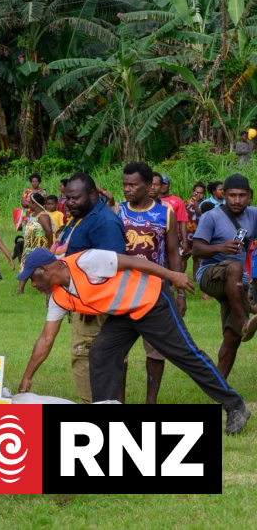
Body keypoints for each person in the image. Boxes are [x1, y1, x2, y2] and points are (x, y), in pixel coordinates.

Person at [18, 248, 249, 434]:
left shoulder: (87, 261)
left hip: (151, 302)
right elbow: (46, 337)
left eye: (33, 278)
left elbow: (131, 262)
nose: (33, 285)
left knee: (186, 355)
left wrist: (173, 276)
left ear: (46, 269)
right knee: (100, 354)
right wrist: (27, 376)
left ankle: (235, 404)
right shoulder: (58, 297)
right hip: (123, 315)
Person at [18, 172, 126, 403]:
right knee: (92, 361)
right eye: (67, 198)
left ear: (93, 194)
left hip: (93, 309)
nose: (69, 203)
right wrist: (27, 377)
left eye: (75, 198)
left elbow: (114, 266)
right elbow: (46, 337)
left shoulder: (104, 222)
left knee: (91, 359)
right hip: (78, 301)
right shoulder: (80, 219)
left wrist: (91, 307)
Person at [115, 162, 182, 404]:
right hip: (122, 289)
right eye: (124, 184)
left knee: (155, 350)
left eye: (133, 185)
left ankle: (150, 402)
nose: (127, 189)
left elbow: (173, 253)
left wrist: (179, 292)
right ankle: (117, 401)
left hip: (155, 291)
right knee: (117, 351)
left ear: (147, 186)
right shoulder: (118, 211)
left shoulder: (165, 213)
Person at [191, 173, 257, 379]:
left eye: (241, 195)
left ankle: (219, 388)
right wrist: (220, 247)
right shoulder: (211, 216)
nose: (237, 200)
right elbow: (196, 250)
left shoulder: (254, 214)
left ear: (250, 196)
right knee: (235, 268)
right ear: (223, 196)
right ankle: (244, 318)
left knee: (233, 338)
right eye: (232, 195)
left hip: (235, 282)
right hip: (210, 274)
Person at [14, 192, 54, 296]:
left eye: (30, 203)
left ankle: (46, 289)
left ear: (35, 204)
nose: (28, 204)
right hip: (29, 247)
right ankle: (20, 290)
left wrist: (52, 247)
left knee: (40, 269)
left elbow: (49, 231)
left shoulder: (43, 216)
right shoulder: (32, 215)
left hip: (39, 247)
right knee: (25, 267)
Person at [157, 174, 189, 257]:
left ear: (169, 184)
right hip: (157, 235)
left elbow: (182, 222)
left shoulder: (177, 201)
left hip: (173, 237)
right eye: (161, 184)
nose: (163, 186)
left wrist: (185, 241)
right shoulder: (151, 200)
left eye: (165, 183)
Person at [186, 181, 206, 275]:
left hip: (199, 235)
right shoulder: (184, 204)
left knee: (197, 258)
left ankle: (195, 279)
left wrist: (197, 202)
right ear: (192, 192)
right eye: (196, 192)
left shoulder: (205, 205)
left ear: (204, 195)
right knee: (183, 257)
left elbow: (199, 214)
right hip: (185, 235)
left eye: (201, 193)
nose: (198, 195)